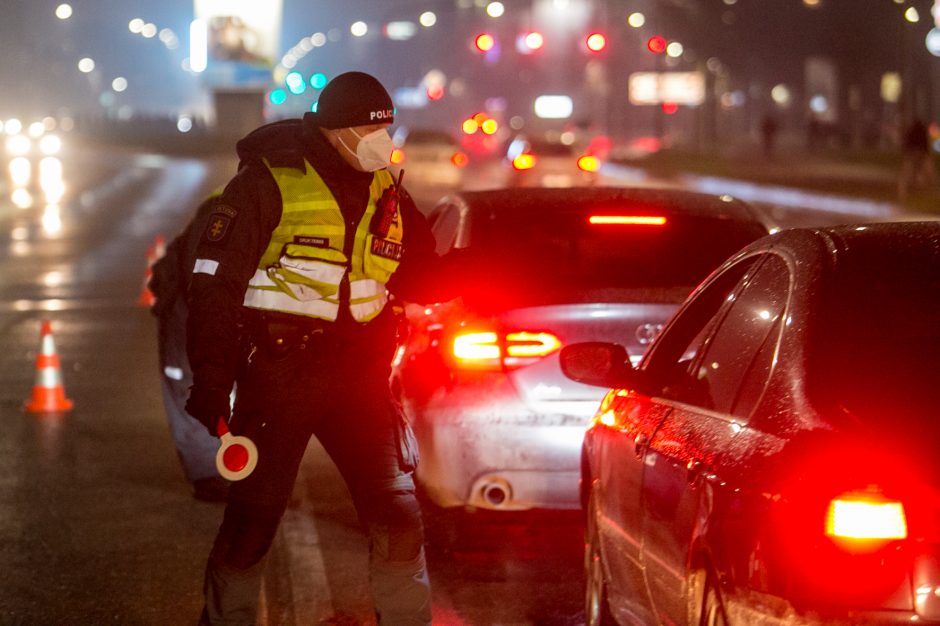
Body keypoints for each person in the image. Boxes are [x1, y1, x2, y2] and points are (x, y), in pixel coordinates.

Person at [184, 71, 458, 626]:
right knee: (253, 524)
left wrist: (485, 271)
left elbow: (421, 276)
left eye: (386, 129)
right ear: (334, 130)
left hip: (361, 380)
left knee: (400, 519)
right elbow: (214, 285)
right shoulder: (268, 182)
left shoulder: (388, 189)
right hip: (282, 375)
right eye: (368, 130)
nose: (381, 142)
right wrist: (212, 381)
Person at [148, 193, 230, 502]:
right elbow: (201, 276)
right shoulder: (223, 212)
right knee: (189, 389)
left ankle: (239, 470)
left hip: (215, 309)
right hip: (186, 312)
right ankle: (206, 474)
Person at [898, 117, 936, 201]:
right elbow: (925, 145)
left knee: (908, 174)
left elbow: (906, 144)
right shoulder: (922, 132)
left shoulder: (911, 132)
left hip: (912, 154)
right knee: (925, 173)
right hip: (920, 153)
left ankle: (904, 192)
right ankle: (924, 190)